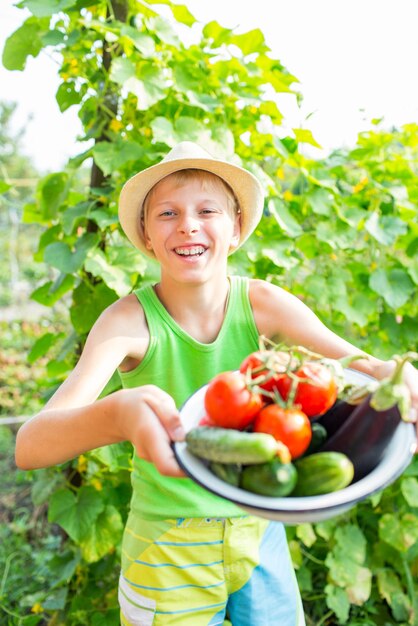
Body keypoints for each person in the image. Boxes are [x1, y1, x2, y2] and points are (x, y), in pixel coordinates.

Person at [15, 141, 418, 626]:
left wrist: (398, 376)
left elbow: (364, 365)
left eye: (207, 210)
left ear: (237, 229)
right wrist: (119, 414)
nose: (187, 224)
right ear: (145, 234)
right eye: (167, 213)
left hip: (260, 528)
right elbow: (30, 446)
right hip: (167, 547)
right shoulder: (127, 322)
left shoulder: (264, 304)